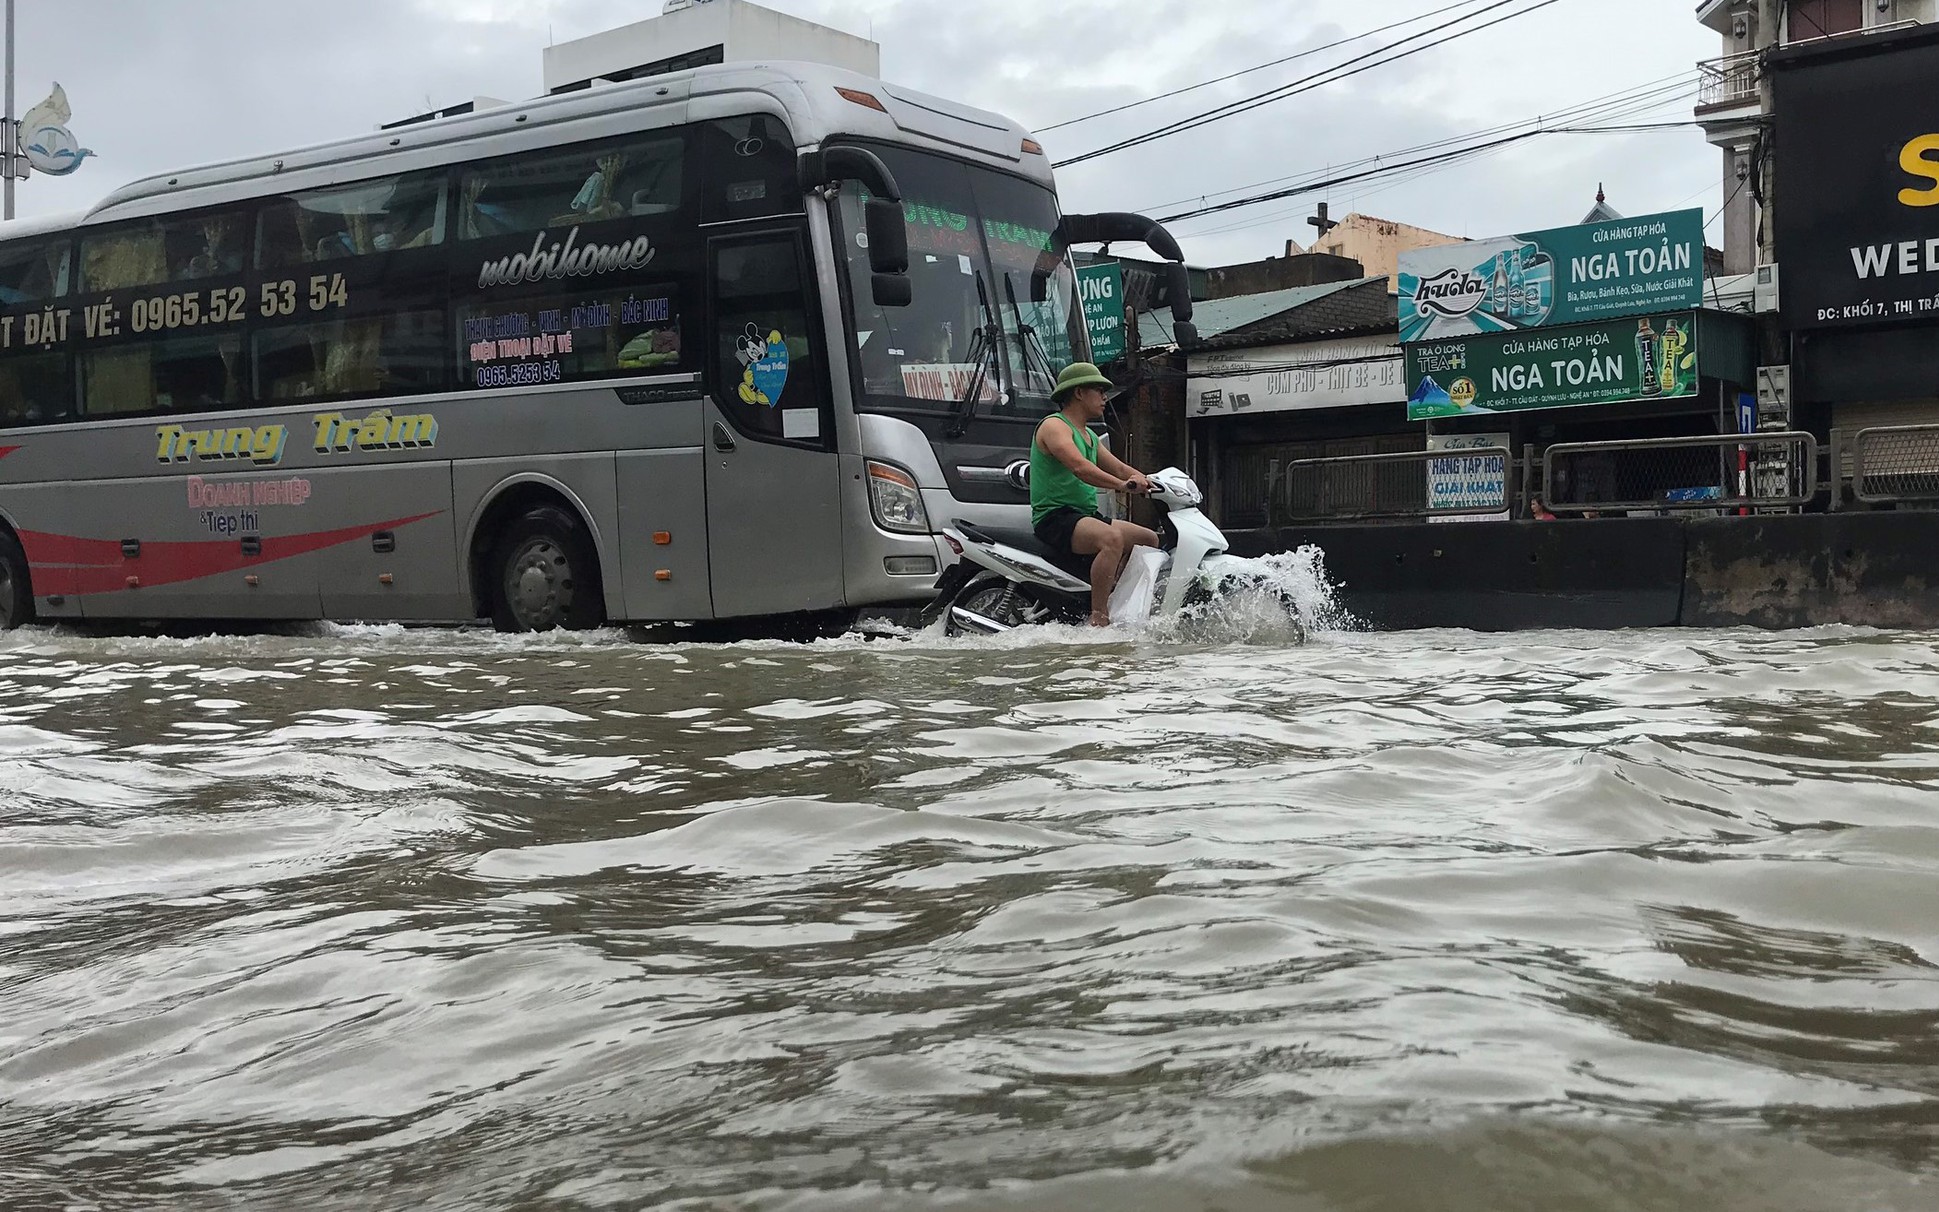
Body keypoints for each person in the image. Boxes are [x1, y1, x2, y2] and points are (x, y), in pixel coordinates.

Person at [1032, 362, 1159, 627]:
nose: (1104, 398)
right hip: (1056, 517)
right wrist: (1123, 486)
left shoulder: (1088, 434)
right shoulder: (1054, 426)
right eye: (1099, 390)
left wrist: (1151, 481)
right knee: (1111, 538)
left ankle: (1115, 597)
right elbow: (1081, 468)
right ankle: (1099, 617)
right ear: (1079, 393)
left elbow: (1121, 468)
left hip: (1084, 516)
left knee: (1148, 539)